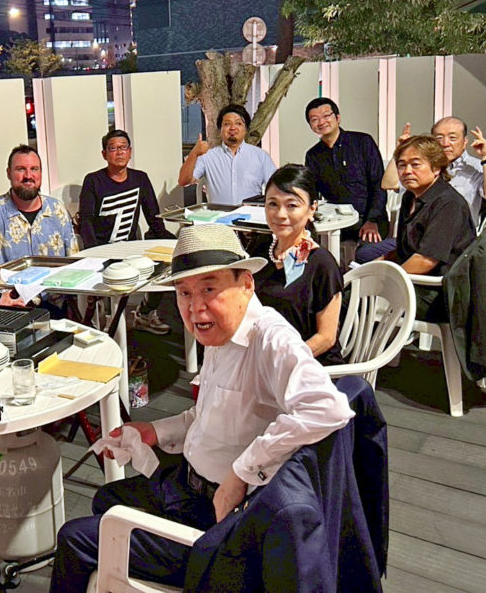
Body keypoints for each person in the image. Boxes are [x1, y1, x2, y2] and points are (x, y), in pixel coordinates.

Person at [49, 224, 355, 593]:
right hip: (188, 485)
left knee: (74, 539)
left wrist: (240, 474)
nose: (195, 308)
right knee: (107, 498)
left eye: (209, 289)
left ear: (247, 284)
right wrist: (155, 431)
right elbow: (207, 414)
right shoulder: (221, 333)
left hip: (220, 524)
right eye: (184, 293)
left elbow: (327, 408)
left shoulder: (271, 339)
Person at [0, 144, 77, 308]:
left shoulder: (57, 210)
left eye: (34, 169)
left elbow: (75, 263)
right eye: (20, 169)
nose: (28, 176)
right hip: (10, 309)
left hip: (55, 307)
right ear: (8, 173)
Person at [79, 128, 174, 334]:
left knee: (166, 263)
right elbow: (85, 221)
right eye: (113, 148)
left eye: (123, 147)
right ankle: (104, 318)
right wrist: (94, 254)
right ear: (104, 154)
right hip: (103, 250)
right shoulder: (93, 181)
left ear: (130, 152)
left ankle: (145, 313)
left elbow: (153, 217)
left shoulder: (140, 178)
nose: (119, 152)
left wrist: (168, 246)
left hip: (131, 249)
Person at [253, 165, 344, 365]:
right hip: (264, 360)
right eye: (272, 204)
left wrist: (283, 361)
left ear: (312, 209)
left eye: (292, 205)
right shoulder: (259, 252)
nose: (280, 214)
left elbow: (326, 338)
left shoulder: (322, 264)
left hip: (308, 365)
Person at [384, 135, 476, 320]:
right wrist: (380, 263)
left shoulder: (448, 203)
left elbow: (426, 260)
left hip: (441, 293)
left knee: (352, 298)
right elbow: (406, 249)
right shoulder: (410, 197)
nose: (407, 171)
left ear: (436, 168)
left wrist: (384, 280)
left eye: (415, 164)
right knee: (347, 289)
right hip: (417, 282)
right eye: (402, 165)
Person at [303, 97, 388, 263]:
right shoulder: (313, 155)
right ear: (311, 126)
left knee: (365, 254)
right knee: (316, 255)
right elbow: (311, 192)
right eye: (314, 119)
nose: (321, 122)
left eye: (326, 116)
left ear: (337, 118)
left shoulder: (363, 142)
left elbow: (379, 184)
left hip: (368, 218)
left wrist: (372, 220)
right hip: (336, 220)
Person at [382, 117, 486, 229]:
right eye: (439, 138)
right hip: (417, 233)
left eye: (452, 138)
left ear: (465, 141)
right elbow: (389, 184)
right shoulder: (423, 166)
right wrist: (401, 152)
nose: (445, 144)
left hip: (454, 237)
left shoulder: (476, 167)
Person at [178, 103, 276, 205]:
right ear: (220, 129)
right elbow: (183, 181)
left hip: (251, 213)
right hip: (218, 214)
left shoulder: (261, 156)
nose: (233, 128)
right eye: (227, 124)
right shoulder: (207, 157)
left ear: (246, 129)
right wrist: (194, 153)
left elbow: (276, 187)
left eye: (238, 123)